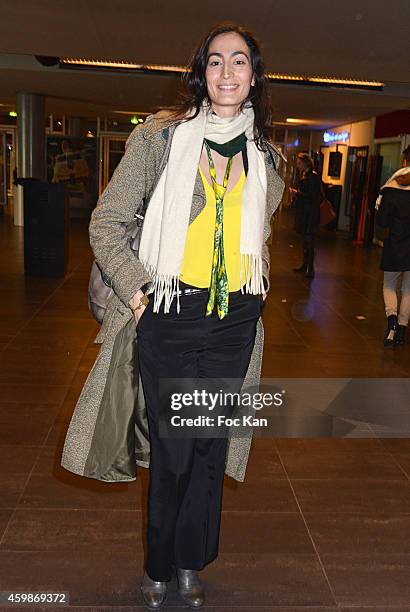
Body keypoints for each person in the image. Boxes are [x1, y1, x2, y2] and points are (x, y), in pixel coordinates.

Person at [60, 22, 284, 610]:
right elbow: (106, 222)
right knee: (173, 446)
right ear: (201, 73)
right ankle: (160, 563)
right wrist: (137, 289)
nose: (228, 73)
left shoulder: (267, 157)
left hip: (236, 320)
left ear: (255, 77)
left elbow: (256, 238)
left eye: (240, 62)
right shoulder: (162, 139)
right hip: (170, 311)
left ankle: (192, 561)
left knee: (209, 447)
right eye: (216, 62)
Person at [376, 146, 410, 348]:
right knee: (409, 289)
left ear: (404, 161)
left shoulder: (391, 188)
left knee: (389, 285)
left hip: (395, 244)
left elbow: (381, 221)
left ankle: (392, 324)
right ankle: (403, 331)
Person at [289, 152, 322, 278]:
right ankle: (305, 265)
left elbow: (313, 196)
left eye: (299, 163)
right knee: (305, 240)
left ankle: (310, 268)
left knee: (309, 240)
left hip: (310, 213)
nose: (297, 166)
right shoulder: (306, 175)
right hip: (305, 212)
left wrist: (297, 193)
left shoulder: (312, 177)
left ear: (305, 163)